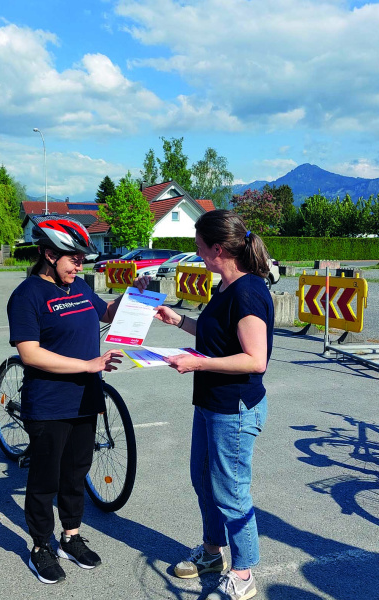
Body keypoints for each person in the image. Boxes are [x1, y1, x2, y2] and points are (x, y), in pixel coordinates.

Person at [6, 215, 150, 584]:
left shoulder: (80, 287)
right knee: (44, 480)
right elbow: (31, 354)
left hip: (86, 399)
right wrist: (88, 364)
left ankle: (70, 534)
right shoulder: (27, 296)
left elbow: (106, 313)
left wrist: (132, 294)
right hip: (49, 403)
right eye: (74, 258)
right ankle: (40, 545)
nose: (80, 265)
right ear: (49, 254)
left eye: (82, 259)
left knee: (75, 472)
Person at [154, 209, 274, 600]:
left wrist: (198, 362)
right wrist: (178, 322)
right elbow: (214, 334)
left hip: (234, 409)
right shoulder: (224, 287)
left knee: (231, 491)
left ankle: (243, 572)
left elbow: (256, 359)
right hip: (209, 403)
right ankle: (212, 553)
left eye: (199, 247)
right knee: (203, 481)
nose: (196, 253)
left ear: (218, 249)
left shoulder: (248, 291)